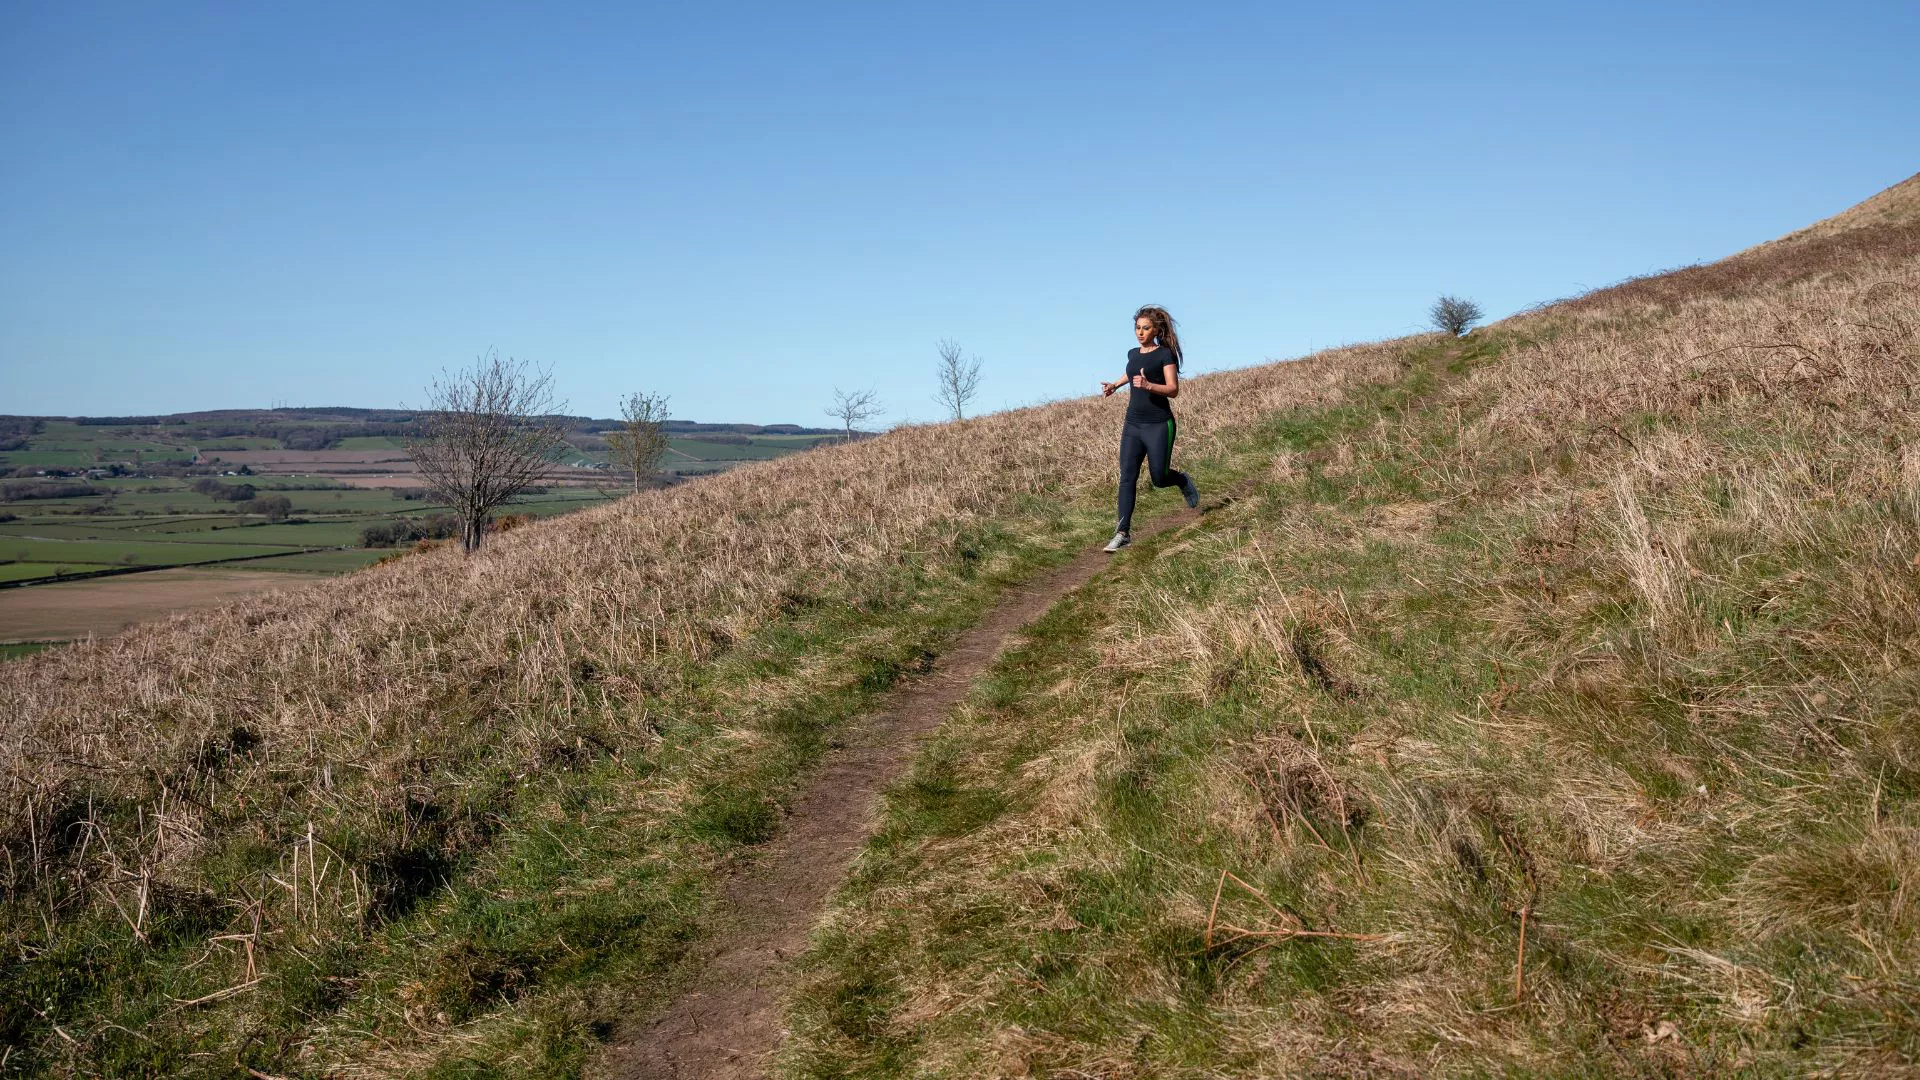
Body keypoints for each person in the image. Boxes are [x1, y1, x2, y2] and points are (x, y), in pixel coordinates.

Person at [1099, 305, 1199, 552]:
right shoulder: (1133, 354)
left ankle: (1181, 480)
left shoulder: (1164, 354)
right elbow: (1130, 371)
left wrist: (1148, 385)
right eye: (1137, 328)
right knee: (1127, 477)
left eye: (1145, 328)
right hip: (1132, 424)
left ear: (1156, 330)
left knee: (1159, 477)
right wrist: (1115, 385)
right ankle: (1122, 533)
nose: (1140, 333)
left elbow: (1173, 389)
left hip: (1158, 424)